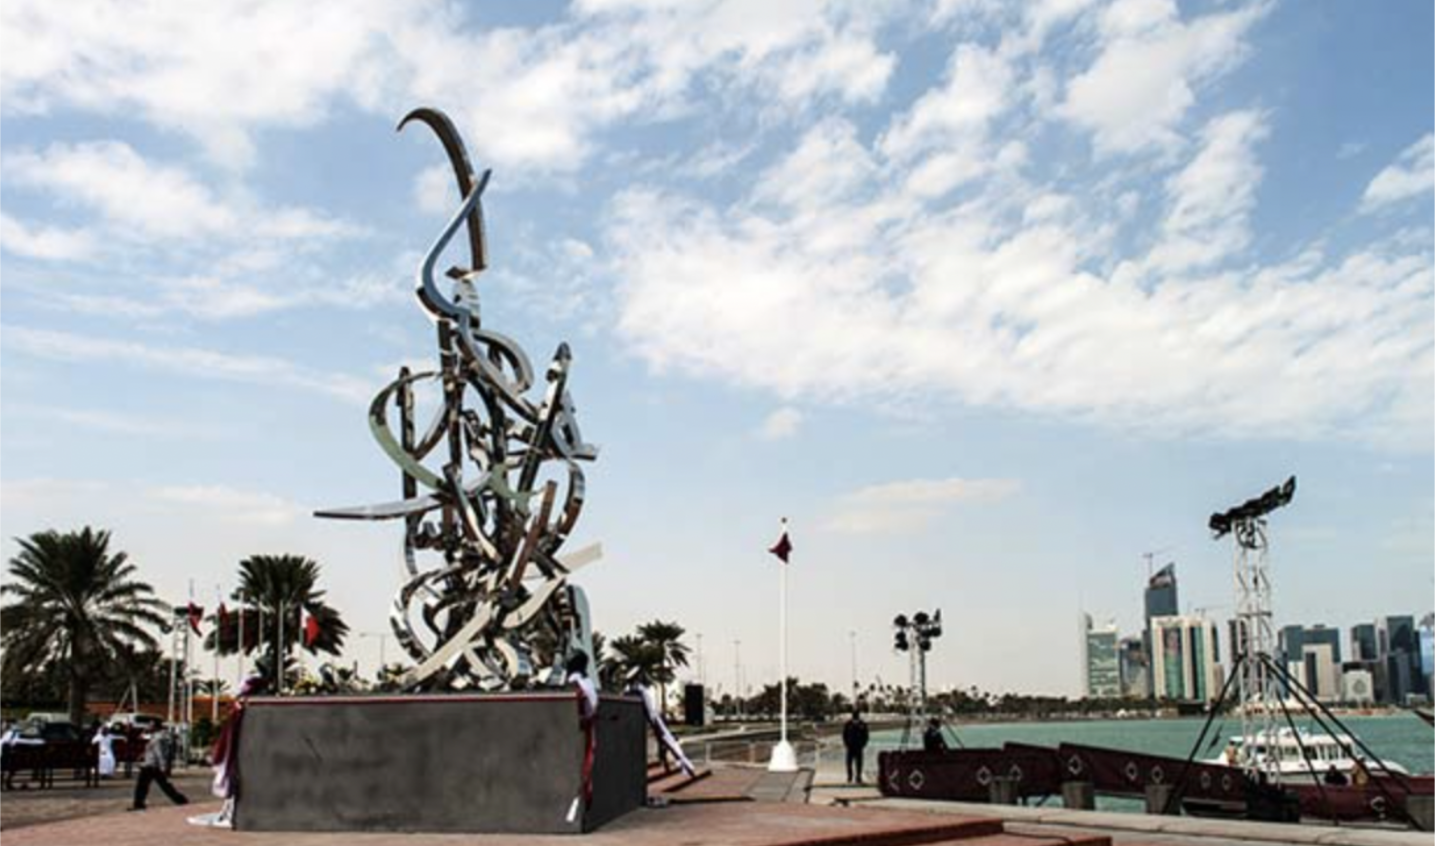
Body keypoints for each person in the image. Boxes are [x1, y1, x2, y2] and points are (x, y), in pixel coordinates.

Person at [625, 667, 694, 777]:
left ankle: (684, 765)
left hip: (655, 720)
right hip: (654, 720)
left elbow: (650, 709)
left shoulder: (642, 690)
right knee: (667, 743)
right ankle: (680, 765)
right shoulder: (638, 690)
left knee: (668, 742)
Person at [130, 728, 189, 811]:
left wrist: (162, 765)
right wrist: (143, 756)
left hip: (151, 765)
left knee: (142, 785)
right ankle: (180, 799)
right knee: (164, 785)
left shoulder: (157, 739)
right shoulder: (156, 737)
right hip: (151, 764)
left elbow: (159, 753)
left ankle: (138, 804)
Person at [842, 711, 870, 783]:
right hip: (850, 746)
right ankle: (850, 776)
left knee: (859, 763)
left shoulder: (862, 724)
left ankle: (858, 777)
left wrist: (863, 744)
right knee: (849, 762)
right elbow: (844, 735)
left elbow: (866, 735)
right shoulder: (848, 724)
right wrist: (846, 744)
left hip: (859, 746)